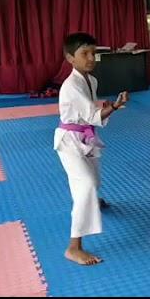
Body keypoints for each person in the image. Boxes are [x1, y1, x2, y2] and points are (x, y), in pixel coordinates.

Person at [54, 32, 129, 266]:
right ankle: (73, 247)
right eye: (84, 54)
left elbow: (90, 113)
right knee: (85, 185)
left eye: (93, 53)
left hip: (85, 137)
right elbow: (92, 116)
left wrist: (106, 108)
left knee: (93, 182)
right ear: (70, 58)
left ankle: (93, 201)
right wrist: (115, 107)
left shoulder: (91, 80)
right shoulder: (71, 85)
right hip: (69, 142)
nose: (91, 58)